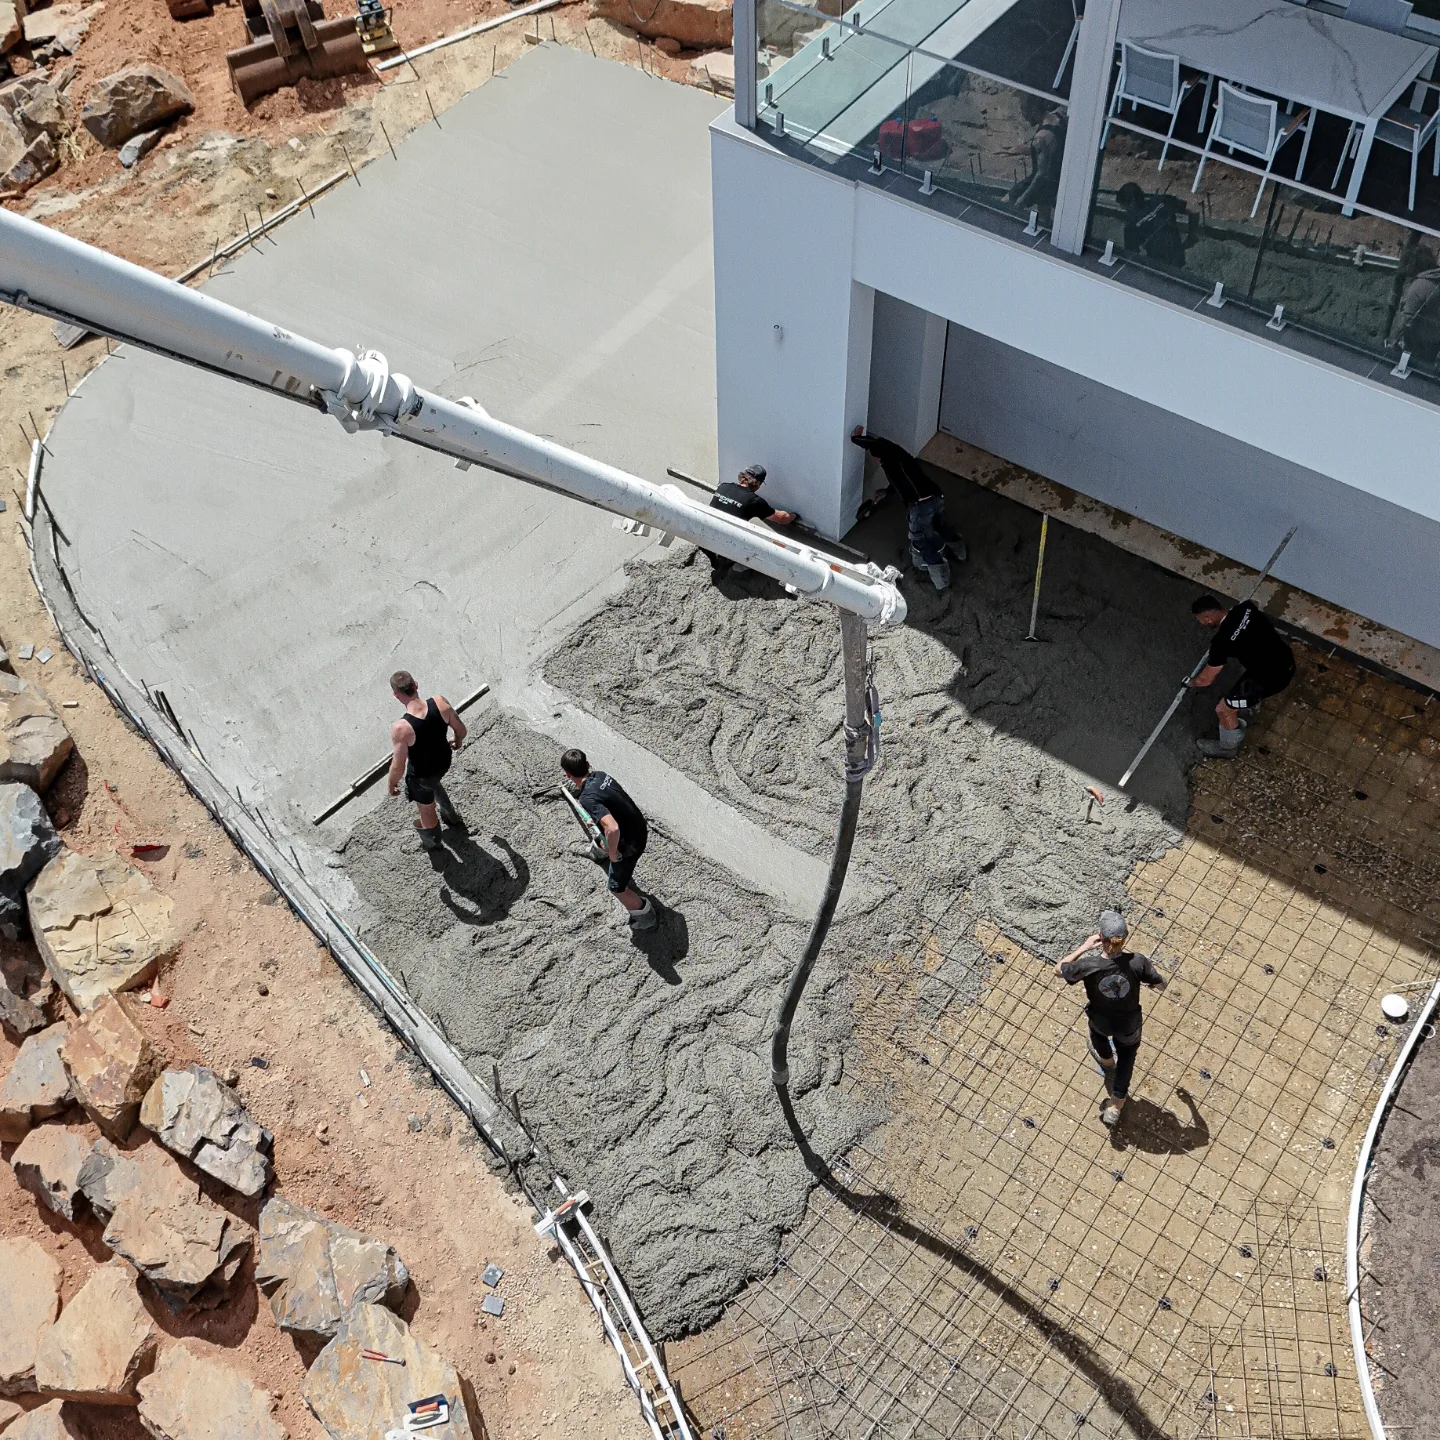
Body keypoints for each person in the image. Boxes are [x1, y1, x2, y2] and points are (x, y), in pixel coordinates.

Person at [1056, 911, 1166, 1128]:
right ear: (1125, 938)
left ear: (1100, 938)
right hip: (1129, 1025)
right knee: (1127, 1056)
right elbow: (1162, 985)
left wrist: (1084, 947)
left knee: (1097, 1036)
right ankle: (1116, 1105)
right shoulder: (1138, 962)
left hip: (1101, 1020)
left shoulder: (1089, 965)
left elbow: (1059, 970)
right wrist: (1152, 985)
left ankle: (1107, 1063)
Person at [850, 426, 965, 591]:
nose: (876, 460)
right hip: (935, 497)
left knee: (921, 541)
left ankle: (942, 579)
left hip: (920, 505)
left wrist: (856, 439)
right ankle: (960, 551)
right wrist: (886, 492)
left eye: (875, 457)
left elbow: (875, 445)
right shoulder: (903, 459)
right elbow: (901, 481)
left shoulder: (888, 456)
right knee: (941, 524)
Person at [1188, 594, 1296, 758]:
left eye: (1200, 620)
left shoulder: (1221, 642)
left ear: (1208, 618)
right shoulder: (1247, 608)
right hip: (1286, 662)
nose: (1201, 623)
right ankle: (1250, 703)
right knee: (1253, 673)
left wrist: (1191, 682)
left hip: (1269, 680)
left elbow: (1206, 679)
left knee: (1223, 709)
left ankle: (1227, 748)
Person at [561, 748, 657, 932]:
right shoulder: (601, 776)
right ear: (588, 765)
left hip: (629, 844)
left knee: (616, 887)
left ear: (567, 774)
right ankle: (599, 852)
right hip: (637, 825)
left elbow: (612, 828)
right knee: (602, 836)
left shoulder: (588, 798)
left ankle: (646, 917)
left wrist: (613, 854)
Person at [387, 671, 466, 851]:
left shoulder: (401, 728)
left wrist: (391, 784)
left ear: (395, 694)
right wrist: (458, 741)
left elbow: (398, 766)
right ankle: (451, 817)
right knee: (434, 783)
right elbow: (461, 729)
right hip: (443, 762)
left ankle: (433, 843)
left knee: (426, 808)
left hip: (422, 776)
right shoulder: (440, 702)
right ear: (416, 684)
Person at [703, 464, 797, 581]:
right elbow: (783, 519)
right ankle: (737, 568)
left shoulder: (723, 487)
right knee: (760, 546)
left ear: (742, 476)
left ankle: (716, 560)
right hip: (726, 545)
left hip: (704, 538)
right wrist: (795, 515)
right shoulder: (754, 502)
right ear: (758, 484)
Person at [1115, 182, 1197, 269]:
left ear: (1131, 203)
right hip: (1178, 256)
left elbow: (1131, 257)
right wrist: (1192, 235)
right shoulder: (1162, 201)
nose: (1125, 211)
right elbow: (1193, 209)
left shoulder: (1131, 226)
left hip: (1158, 264)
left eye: (1124, 208)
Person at [1004, 108, 1067, 216]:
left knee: (1005, 203)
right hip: (1055, 179)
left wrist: (1022, 200)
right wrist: (1022, 149)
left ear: (1033, 111)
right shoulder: (1060, 116)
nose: (1026, 120)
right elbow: (1050, 149)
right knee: (1043, 218)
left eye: (1026, 115)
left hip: (1037, 181)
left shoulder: (1041, 137)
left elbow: (1041, 174)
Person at [1386, 246, 1440, 355]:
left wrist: (1392, 343)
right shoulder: (1435, 280)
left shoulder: (1418, 287)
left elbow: (1407, 320)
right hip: (1434, 344)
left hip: (1417, 346)